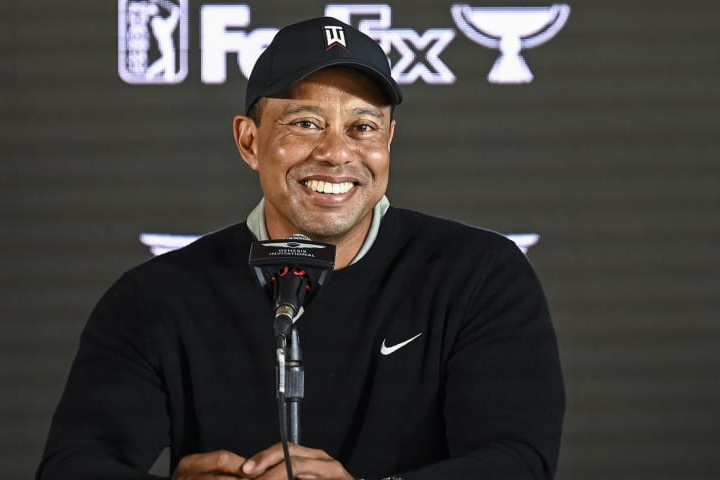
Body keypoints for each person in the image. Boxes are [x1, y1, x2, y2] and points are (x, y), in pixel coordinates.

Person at [36, 16, 565, 480]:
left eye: (363, 127)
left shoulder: (479, 274)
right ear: (248, 141)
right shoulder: (157, 295)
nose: (337, 152)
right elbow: (74, 464)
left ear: (388, 143)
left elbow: (516, 460)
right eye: (306, 123)